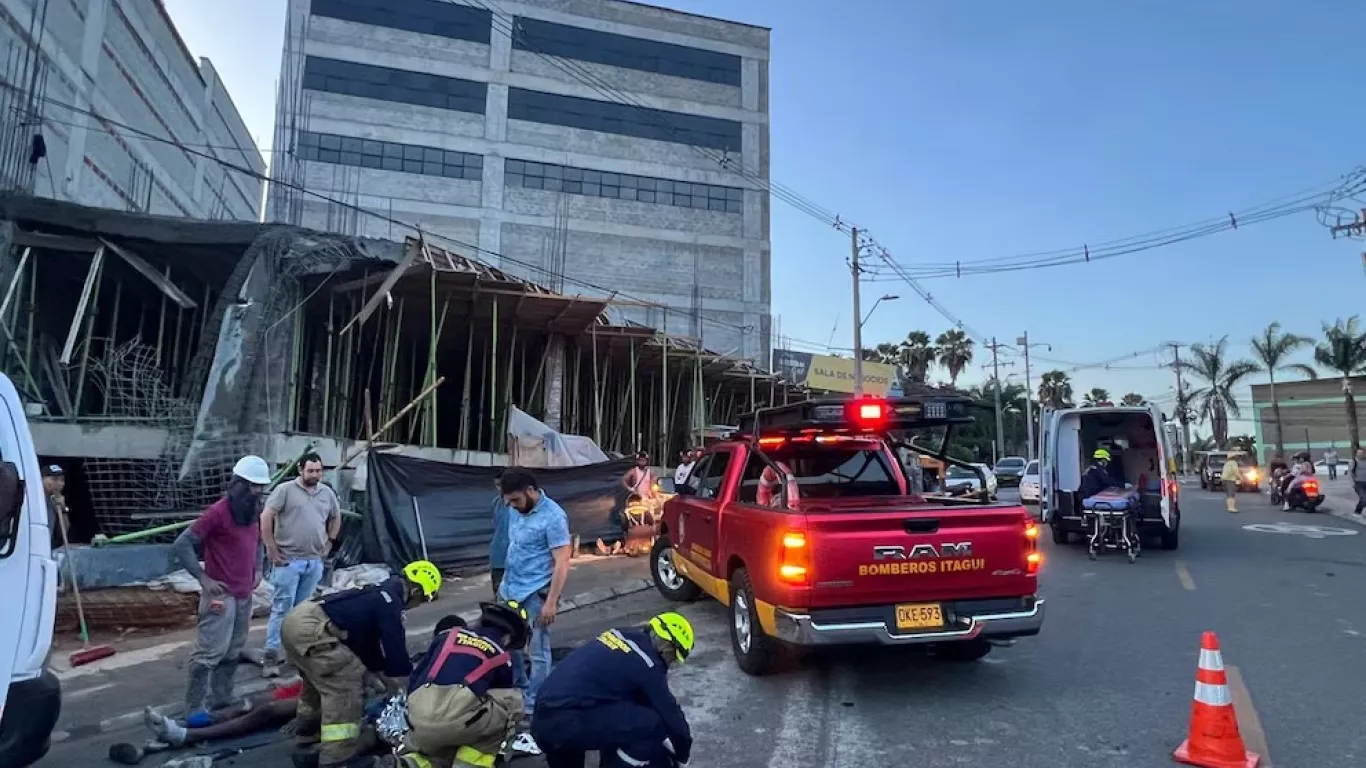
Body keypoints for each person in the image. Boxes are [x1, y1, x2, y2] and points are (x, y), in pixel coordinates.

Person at [282, 560, 442, 768]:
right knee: (346, 688)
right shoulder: (390, 602)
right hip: (314, 630)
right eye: (424, 599)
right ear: (416, 590)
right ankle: (337, 759)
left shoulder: (376, 594)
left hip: (297, 621)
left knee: (316, 686)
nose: (418, 605)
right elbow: (396, 653)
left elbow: (368, 647)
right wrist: (409, 689)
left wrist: (386, 681)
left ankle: (307, 739)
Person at [172, 455, 272, 720]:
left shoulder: (252, 511)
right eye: (253, 486)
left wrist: (258, 569)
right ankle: (194, 708)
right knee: (208, 653)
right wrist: (203, 578)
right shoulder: (218, 512)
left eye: (260, 486)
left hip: (244, 594)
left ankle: (222, 698)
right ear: (238, 484)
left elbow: (258, 542)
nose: (257, 491)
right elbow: (182, 544)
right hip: (221, 595)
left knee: (233, 649)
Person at [531, 612, 695, 768]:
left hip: (544, 719)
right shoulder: (647, 662)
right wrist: (683, 757)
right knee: (651, 724)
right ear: (667, 647)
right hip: (567, 721)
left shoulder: (619, 635)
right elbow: (670, 714)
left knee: (622, 716)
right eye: (673, 657)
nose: (670, 663)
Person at [397, 602, 531, 768]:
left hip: (418, 722)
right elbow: (501, 700)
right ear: (508, 637)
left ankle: (413, 762)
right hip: (456, 722)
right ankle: (469, 764)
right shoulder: (501, 657)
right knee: (511, 703)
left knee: (451, 728)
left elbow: (416, 678)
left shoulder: (446, 636)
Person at [496, 469, 572, 754]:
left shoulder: (554, 517)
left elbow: (562, 561)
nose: (511, 505)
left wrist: (551, 601)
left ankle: (533, 703)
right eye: (508, 501)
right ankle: (519, 687)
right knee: (510, 645)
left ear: (530, 490)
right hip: (510, 589)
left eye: (515, 499)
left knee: (538, 650)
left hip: (536, 593)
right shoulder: (515, 509)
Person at [261, 452, 342, 678]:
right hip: (288, 561)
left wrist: (330, 541)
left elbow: (336, 517)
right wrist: (270, 547)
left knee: (302, 612)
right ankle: (271, 655)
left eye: (318, 471)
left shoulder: (326, 493)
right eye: (310, 471)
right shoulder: (285, 490)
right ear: (300, 470)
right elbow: (266, 516)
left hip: (313, 562)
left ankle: (294, 656)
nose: (315, 475)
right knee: (282, 609)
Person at [489, 470, 510, 598]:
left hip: (514, 556)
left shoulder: (517, 505)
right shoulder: (496, 503)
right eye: (497, 485)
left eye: (502, 485)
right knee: (498, 594)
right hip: (497, 555)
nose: (500, 488)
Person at [42, 463, 70, 549]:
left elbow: (63, 533)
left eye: (62, 480)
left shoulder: (54, 500)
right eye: (54, 479)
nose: (59, 483)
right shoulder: (31, 500)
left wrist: (63, 508)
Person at [1353, 449, 1366, 515]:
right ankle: (1357, 512)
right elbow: (1350, 473)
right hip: (1358, 483)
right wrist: (1352, 483)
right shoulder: (1354, 462)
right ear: (1356, 454)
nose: (1361, 454)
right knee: (1364, 498)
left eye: (1362, 453)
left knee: (1364, 499)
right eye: (1359, 453)